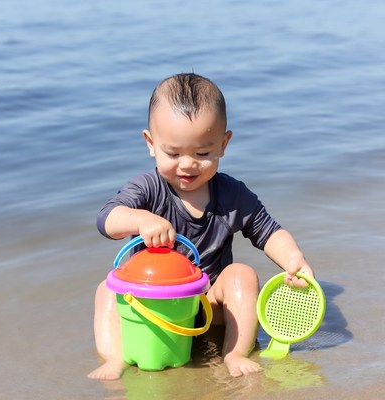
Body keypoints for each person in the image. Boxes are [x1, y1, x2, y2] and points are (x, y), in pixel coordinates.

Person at [88, 73, 314, 380]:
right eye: (173, 153)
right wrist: (141, 219)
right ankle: (115, 359)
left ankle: (234, 352)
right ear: (151, 144)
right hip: (154, 306)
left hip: (209, 304)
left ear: (223, 144)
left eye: (203, 153)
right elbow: (107, 219)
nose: (187, 164)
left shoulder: (232, 195)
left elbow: (267, 230)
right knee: (107, 289)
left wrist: (293, 260)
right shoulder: (147, 189)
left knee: (242, 275)